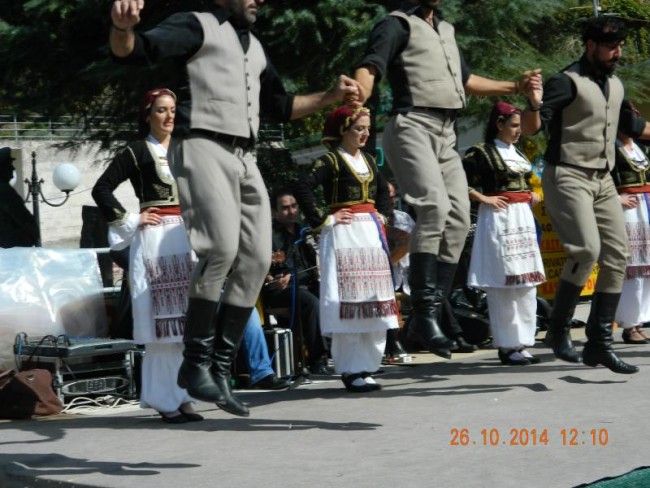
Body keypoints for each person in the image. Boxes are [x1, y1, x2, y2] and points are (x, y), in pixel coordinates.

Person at [109, 0, 360, 416]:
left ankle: (220, 369)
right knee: (220, 250)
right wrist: (122, 28)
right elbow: (137, 50)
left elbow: (281, 105)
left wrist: (329, 97)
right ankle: (195, 363)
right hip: (201, 144)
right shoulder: (196, 25)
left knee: (257, 260)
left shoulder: (255, 47)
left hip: (245, 156)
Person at [353, 0, 542, 359]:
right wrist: (358, 91)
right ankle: (424, 313)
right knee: (434, 208)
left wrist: (515, 86)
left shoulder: (445, 29)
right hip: (412, 124)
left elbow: (467, 81)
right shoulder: (397, 24)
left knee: (457, 219)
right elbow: (370, 66)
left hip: (446, 131)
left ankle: (429, 315)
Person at [521, 16, 650, 374]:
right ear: (590, 45)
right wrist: (533, 103)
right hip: (568, 174)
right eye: (610, 47)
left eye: (619, 46)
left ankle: (598, 344)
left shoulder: (616, 84)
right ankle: (558, 329)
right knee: (586, 250)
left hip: (603, 179)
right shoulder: (566, 81)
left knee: (618, 255)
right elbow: (532, 129)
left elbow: (632, 126)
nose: (616, 53)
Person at [92, 88, 204, 423]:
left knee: (183, 325)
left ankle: (182, 395)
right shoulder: (138, 150)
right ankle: (162, 398)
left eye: (172, 110)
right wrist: (131, 219)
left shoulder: (184, 150)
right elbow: (101, 188)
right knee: (161, 328)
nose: (169, 116)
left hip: (183, 238)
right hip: (155, 240)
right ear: (147, 115)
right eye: (161, 110)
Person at [293, 105, 398, 393]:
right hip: (345, 234)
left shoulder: (369, 160)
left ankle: (368, 365)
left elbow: (382, 190)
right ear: (343, 130)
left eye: (367, 129)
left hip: (370, 234)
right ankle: (351, 369)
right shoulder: (330, 161)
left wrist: (383, 215)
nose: (364, 134)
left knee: (373, 299)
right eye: (358, 128)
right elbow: (303, 186)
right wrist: (325, 219)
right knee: (350, 300)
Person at [463, 101, 546, 366]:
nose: (518, 131)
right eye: (513, 125)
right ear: (499, 124)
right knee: (504, 282)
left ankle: (523, 342)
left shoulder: (518, 153)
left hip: (522, 218)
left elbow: (531, 183)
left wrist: (534, 194)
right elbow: (459, 182)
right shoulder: (480, 152)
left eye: (519, 126)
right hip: (499, 218)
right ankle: (507, 345)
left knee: (526, 283)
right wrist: (483, 198)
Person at [263, 188, 328, 375]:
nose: (291, 211)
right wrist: (271, 278)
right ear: (274, 211)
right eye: (285, 208)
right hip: (281, 290)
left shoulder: (305, 231)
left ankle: (340, 352)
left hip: (308, 284)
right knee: (311, 302)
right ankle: (318, 359)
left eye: (294, 206)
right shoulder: (267, 235)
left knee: (333, 297)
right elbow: (258, 265)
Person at [611, 128, 650, 345]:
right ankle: (628, 324)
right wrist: (617, 198)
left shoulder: (641, 148)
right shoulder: (610, 149)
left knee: (646, 268)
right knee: (631, 267)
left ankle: (640, 321)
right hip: (628, 211)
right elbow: (599, 180)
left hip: (646, 208)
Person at [0, 147, 38, 248]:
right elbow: (25, 220)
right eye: (9, 165)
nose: (13, 168)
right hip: (12, 249)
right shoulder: (5, 192)